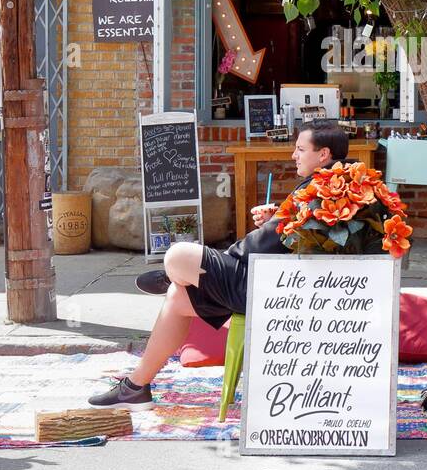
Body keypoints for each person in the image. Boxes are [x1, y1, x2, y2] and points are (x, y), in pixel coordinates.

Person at [88, 120, 350, 408]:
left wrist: (275, 225)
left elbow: (284, 240)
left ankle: (174, 274)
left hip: (269, 285)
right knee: (177, 298)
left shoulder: (325, 190)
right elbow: (294, 233)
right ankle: (135, 387)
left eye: (300, 149)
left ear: (323, 154)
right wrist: (277, 218)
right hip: (267, 278)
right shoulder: (328, 186)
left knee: (178, 255)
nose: (294, 155)